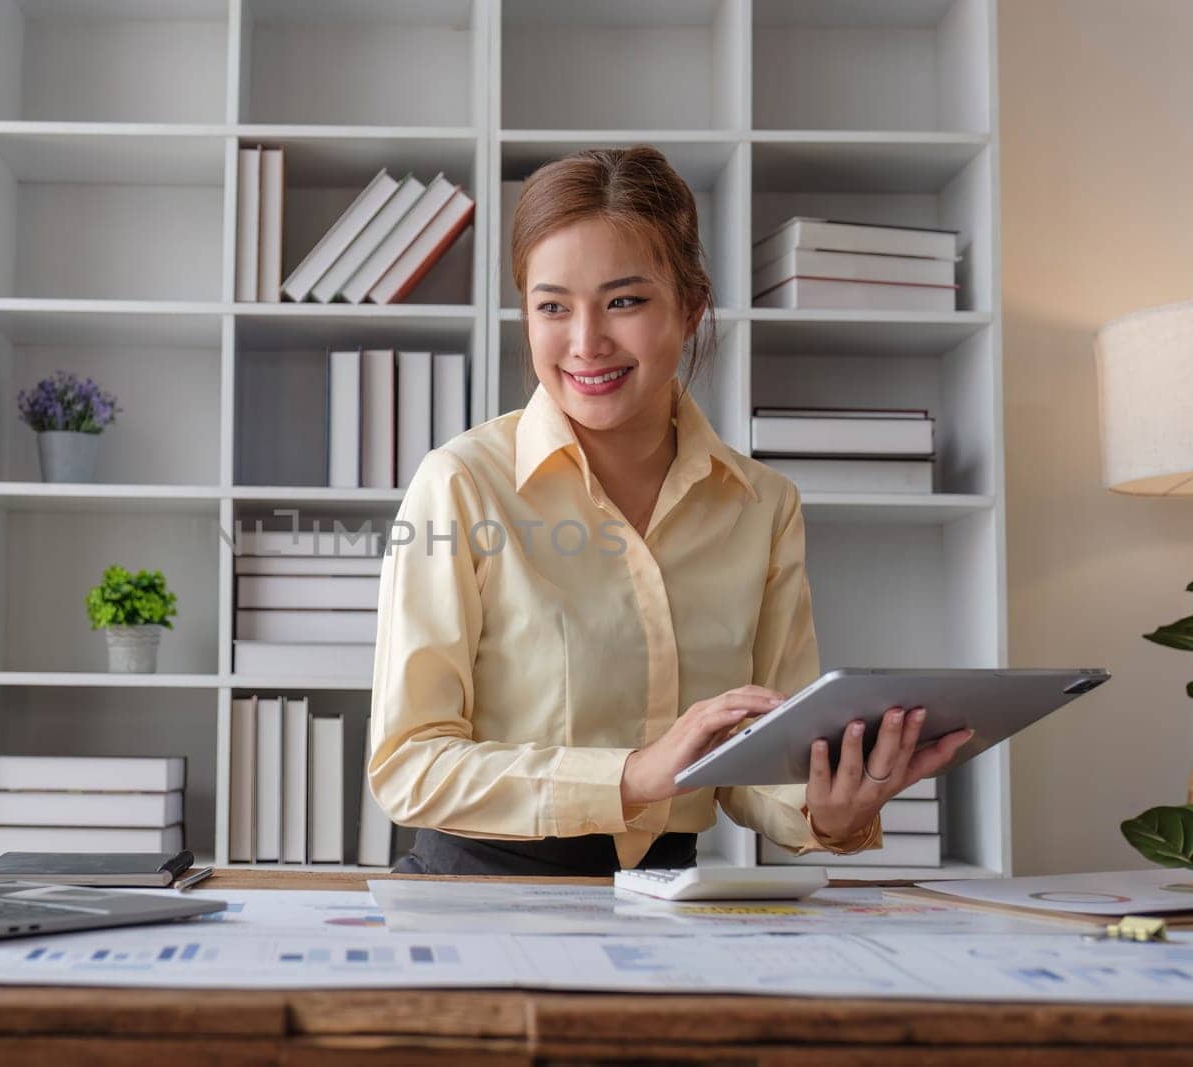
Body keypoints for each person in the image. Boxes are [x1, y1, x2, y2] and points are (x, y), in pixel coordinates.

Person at [367, 146, 974, 876]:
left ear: (690, 307)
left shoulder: (761, 506)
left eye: (624, 301)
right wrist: (631, 777)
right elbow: (409, 763)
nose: (586, 341)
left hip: (672, 899)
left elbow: (764, 757)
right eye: (552, 306)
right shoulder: (460, 483)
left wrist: (831, 812)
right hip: (481, 895)